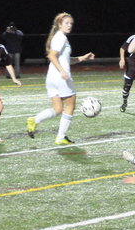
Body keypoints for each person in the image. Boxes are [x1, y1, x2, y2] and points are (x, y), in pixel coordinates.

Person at [26, 12, 95, 144]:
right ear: (59, 24)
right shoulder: (61, 37)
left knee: (58, 109)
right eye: (66, 23)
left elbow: (66, 60)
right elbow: (51, 56)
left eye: (71, 23)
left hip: (51, 78)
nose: (69, 26)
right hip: (61, 78)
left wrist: (83, 58)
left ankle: (35, 120)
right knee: (70, 106)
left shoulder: (58, 37)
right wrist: (63, 71)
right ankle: (60, 137)